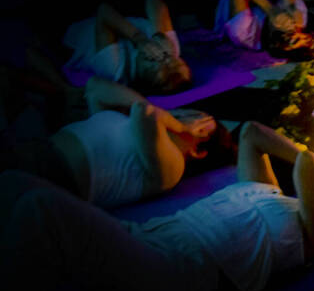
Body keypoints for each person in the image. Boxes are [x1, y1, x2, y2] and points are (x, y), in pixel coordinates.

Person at [0, 121, 314, 291]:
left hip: (179, 275)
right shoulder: (268, 191)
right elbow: (252, 133)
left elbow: (308, 164)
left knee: (41, 210)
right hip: (149, 236)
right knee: (13, 183)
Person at [0, 76, 228, 209]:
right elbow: (96, 89)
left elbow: (146, 112)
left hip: (51, 176)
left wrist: (178, 125)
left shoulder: (173, 169)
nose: (187, 116)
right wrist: (174, 119)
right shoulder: (127, 121)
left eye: (199, 122)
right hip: (34, 149)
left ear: (198, 151)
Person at [63, 0, 192, 94]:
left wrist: (140, 39)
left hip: (78, 31)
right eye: (177, 63)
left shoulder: (115, 68)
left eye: (161, 69)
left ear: (143, 82)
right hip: (124, 14)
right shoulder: (170, 51)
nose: (167, 60)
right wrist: (160, 34)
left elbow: (103, 11)